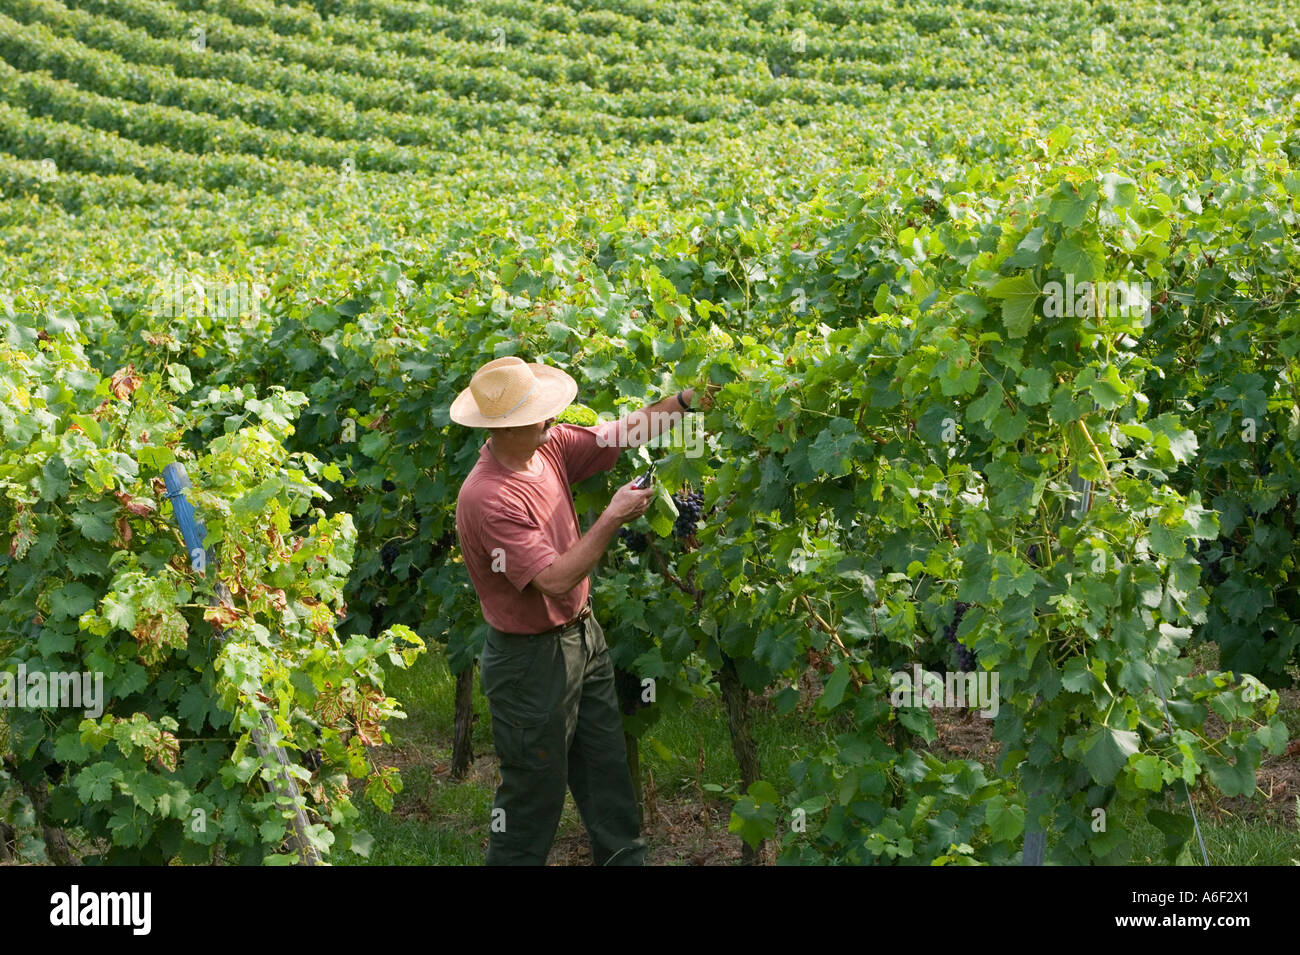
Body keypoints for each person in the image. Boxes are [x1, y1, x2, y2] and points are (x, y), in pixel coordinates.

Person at [450, 355, 701, 866]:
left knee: (609, 781)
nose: (551, 419)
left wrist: (683, 403)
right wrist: (611, 517)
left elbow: (619, 435)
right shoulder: (489, 497)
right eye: (538, 414)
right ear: (507, 426)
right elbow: (555, 580)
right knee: (531, 801)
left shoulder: (551, 446)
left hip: (583, 640)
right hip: (529, 665)